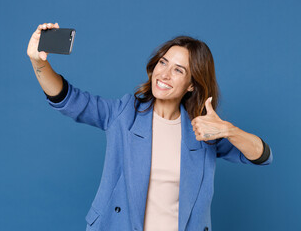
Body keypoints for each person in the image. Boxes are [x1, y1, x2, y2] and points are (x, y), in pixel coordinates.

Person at [27, 22, 273, 231]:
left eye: (178, 70)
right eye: (163, 63)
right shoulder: (125, 114)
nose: (164, 74)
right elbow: (71, 101)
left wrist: (227, 130)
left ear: (191, 85)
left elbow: (262, 155)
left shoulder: (202, 130)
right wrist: (38, 62)